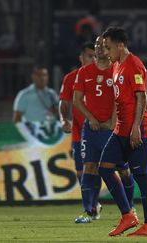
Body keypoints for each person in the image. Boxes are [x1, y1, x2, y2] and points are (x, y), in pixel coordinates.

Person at [100, 27, 147, 236]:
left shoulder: (134, 65)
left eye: (109, 47)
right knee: (105, 168)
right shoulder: (116, 66)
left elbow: (142, 98)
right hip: (120, 128)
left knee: (140, 175)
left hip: (137, 128)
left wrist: (135, 128)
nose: (107, 51)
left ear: (120, 45)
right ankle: (128, 215)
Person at [72, 36, 135, 223]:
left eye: (103, 45)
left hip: (114, 129)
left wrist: (113, 122)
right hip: (91, 129)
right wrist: (91, 119)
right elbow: (77, 100)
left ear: (110, 49)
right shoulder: (84, 72)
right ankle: (89, 211)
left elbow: (122, 99)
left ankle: (130, 209)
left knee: (123, 170)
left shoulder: (117, 70)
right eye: (97, 45)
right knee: (88, 167)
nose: (99, 48)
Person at [58, 42, 99, 217]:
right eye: (90, 56)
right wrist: (64, 119)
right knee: (82, 171)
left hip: (99, 130)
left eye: (95, 56)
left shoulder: (103, 77)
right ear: (81, 58)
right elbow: (64, 102)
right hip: (79, 132)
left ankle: (91, 207)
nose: (93, 59)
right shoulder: (71, 78)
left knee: (96, 169)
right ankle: (92, 205)